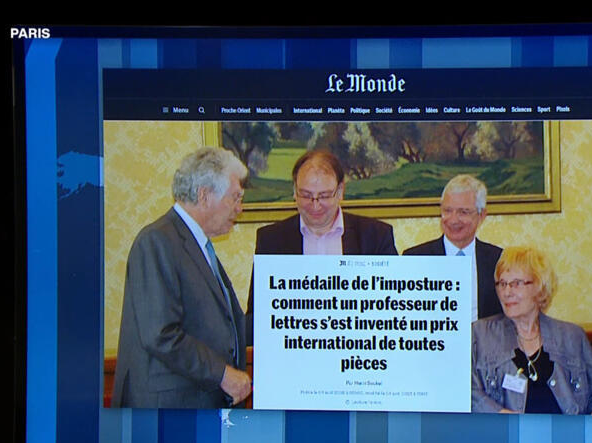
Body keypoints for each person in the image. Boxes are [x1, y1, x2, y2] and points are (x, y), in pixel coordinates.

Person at [113, 147, 252, 409]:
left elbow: (221, 324)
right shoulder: (156, 241)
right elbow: (161, 334)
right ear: (204, 195)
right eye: (235, 198)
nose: (239, 208)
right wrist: (222, 374)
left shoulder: (197, 245)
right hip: (169, 408)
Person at [246, 149, 397, 343]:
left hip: (358, 350)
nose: (315, 205)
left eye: (324, 196)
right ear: (294, 191)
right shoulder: (271, 239)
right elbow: (257, 317)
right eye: (306, 195)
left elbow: (392, 310)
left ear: (340, 191)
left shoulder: (375, 236)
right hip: (294, 351)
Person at [472, 246, 592, 414]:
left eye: (516, 283)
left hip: (566, 429)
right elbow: (468, 392)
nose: (507, 292)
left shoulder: (572, 337)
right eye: (502, 284)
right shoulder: (480, 335)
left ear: (539, 287)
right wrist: (500, 415)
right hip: (506, 430)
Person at [403, 174, 503, 322]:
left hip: (483, 336)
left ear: (481, 215)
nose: (454, 220)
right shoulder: (415, 259)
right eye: (447, 211)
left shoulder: (499, 260)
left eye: (463, 212)